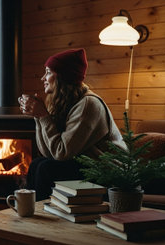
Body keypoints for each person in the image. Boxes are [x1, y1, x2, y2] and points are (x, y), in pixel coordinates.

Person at [18, 48, 126, 201]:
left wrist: (43, 116)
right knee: (37, 163)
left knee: (46, 168)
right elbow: (48, 153)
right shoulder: (67, 102)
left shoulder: (88, 104)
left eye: (48, 72)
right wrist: (37, 116)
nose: (43, 77)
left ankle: (41, 217)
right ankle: (32, 212)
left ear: (62, 76)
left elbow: (61, 153)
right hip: (86, 166)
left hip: (108, 173)